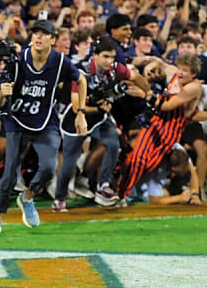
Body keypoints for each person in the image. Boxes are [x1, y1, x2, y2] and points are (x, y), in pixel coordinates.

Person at [0, 20, 87, 236]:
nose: (38, 37)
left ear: (53, 39)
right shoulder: (17, 60)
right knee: (10, 173)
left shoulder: (60, 62)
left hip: (44, 119)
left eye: (44, 34)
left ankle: (28, 197)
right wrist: (3, 92)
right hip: (17, 119)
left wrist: (81, 113)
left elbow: (81, 79)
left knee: (50, 168)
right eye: (35, 33)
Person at [54, 36, 150, 211]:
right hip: (77, 119)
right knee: (69, 161)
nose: (109, 61)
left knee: (113, 144)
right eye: (105, 56)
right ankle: (59, 199)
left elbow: (135, 77)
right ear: (95, 55)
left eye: (112, 57)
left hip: (100, 117)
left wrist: (149, 92)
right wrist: (99, 109)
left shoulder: (115, 69)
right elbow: (76, 106)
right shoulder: (81, 71)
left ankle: (103, 185)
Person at [116, 54, 204, 200]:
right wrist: (147, 63)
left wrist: (143, 94)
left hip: (171, 130)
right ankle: (120, 194)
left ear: (193, 74)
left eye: (185, 70)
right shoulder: (173, 72)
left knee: (149, 163)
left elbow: (167, 106)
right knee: (138, 158)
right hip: (155, 121)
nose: (180, 72)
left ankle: (195, 192)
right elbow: (160, 63)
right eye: (180, 68)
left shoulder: (194, 87)